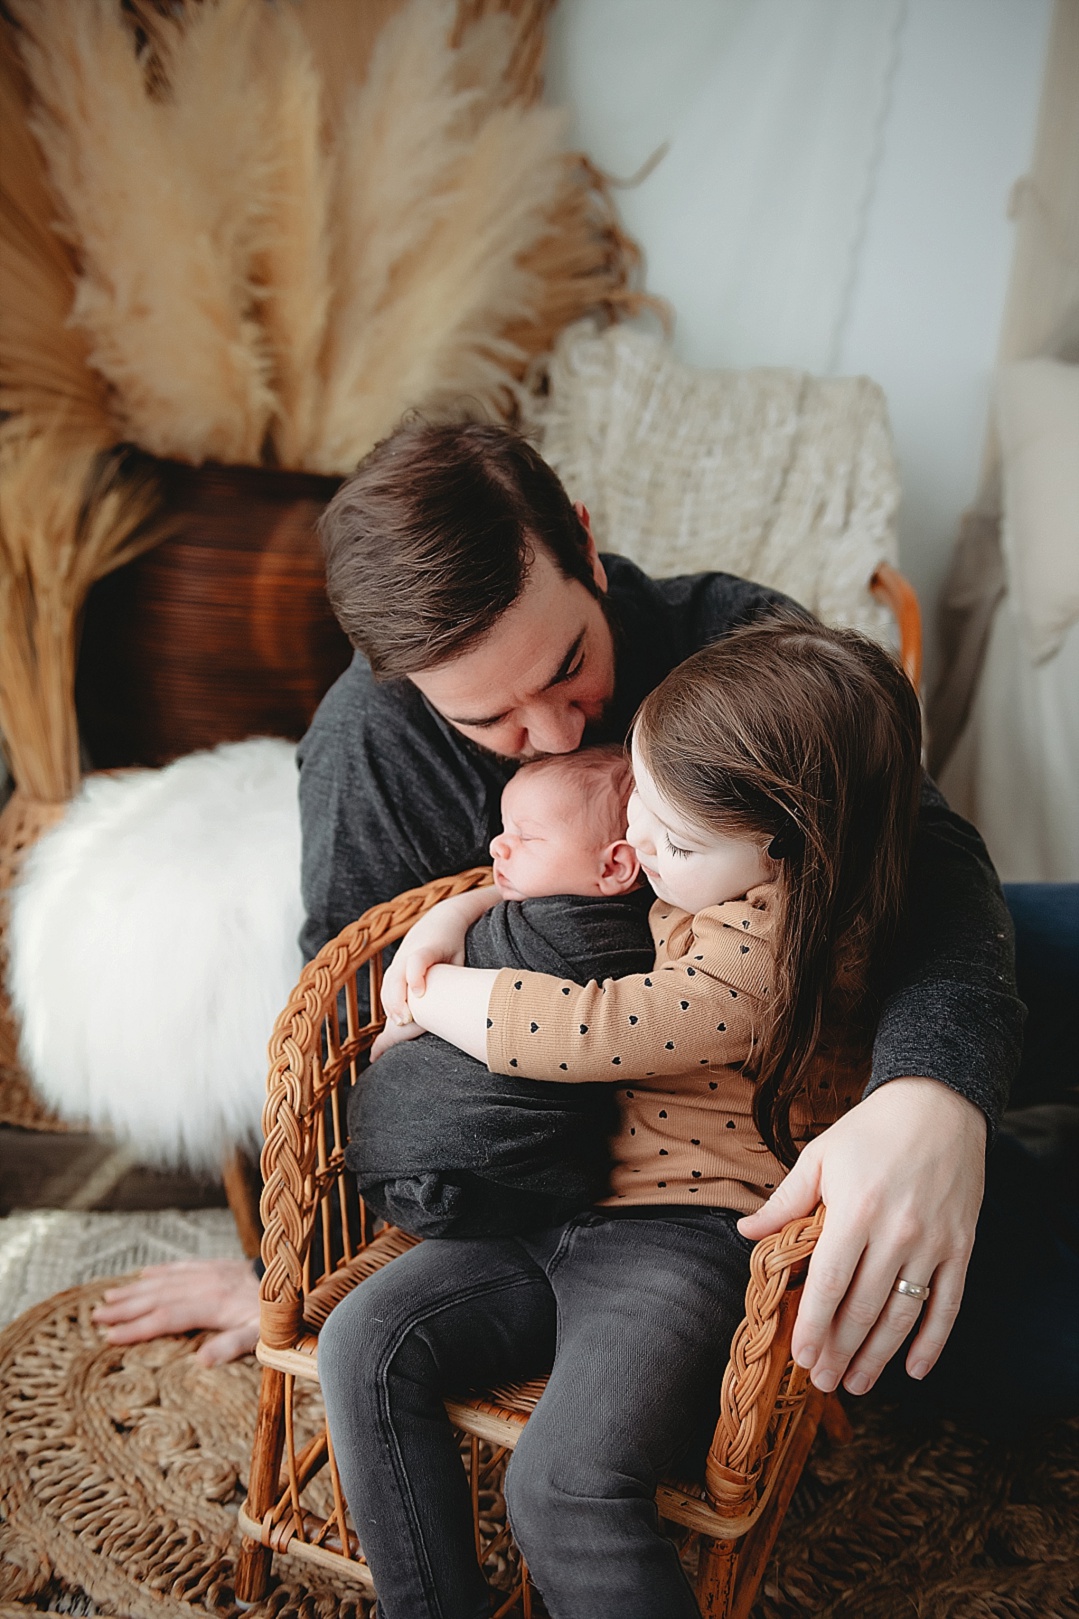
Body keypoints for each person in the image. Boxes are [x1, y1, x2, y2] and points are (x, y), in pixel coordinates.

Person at [93, 421, 1020, 1402]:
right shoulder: (370, 753)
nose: (555, 731)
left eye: (565, 662)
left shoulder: (739, 645)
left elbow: (931, 860)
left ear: (581, 545)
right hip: (685, 1171)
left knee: (1029, 950)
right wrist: (291, 1268)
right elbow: (351, 1022)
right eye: (486, 719)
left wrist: (934, 1093)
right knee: (998, 1328)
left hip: (846, 1025)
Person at [317, 617, 924, 1618]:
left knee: (559, 1487)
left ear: (786, 850)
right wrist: (453, 916)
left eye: (670, 837)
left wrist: (430, 999)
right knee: (363, 1343)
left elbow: (586, 1027)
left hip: (681, 1239)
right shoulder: (696, 867)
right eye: (640, 800)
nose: (634, 843)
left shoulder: (762, 960)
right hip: (559, 1203)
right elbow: (545, 881)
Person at [351, 745, 655, 1238]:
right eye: (503, 829)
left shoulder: (595, 939)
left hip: (486, 1167)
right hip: (464, 1166)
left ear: (614, 868)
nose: (497, 846)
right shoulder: (534, 913)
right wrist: (449, 914)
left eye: (526, 837)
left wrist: (417, 1014)